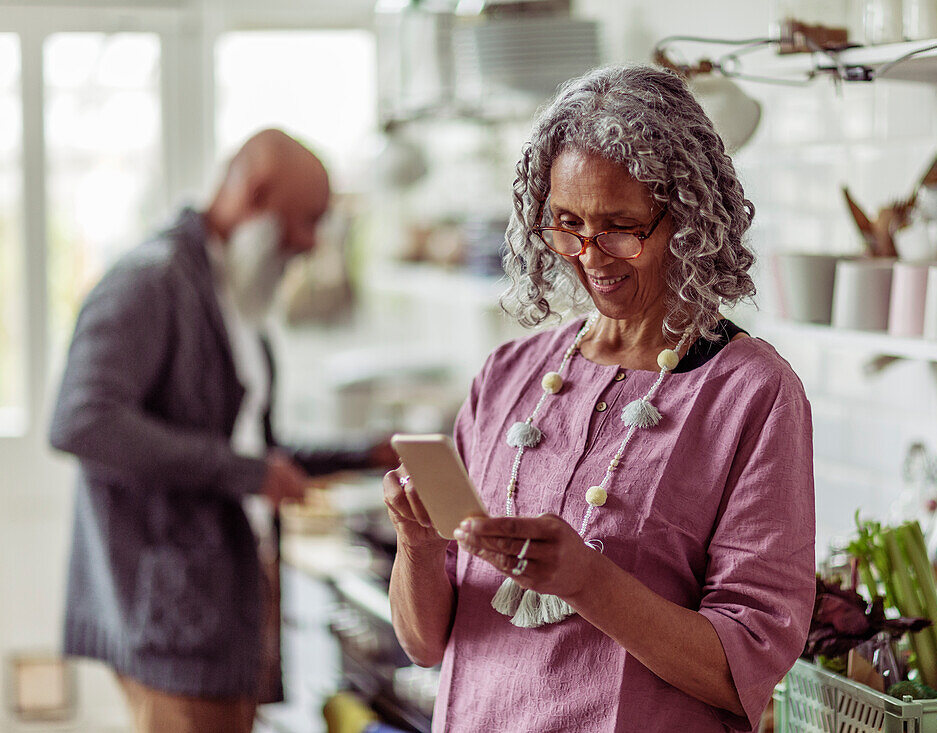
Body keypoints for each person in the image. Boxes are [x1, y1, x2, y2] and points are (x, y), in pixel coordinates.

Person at [382, 66, 816, 732]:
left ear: (688, 220)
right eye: (567, 224)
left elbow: (745, 670)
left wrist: (588, 580)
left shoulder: (752, 395)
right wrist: (415, 542)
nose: (590, 256)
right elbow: (424, 641)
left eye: (620, 226)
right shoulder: (508, 372)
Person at [49, 128, 396, 733]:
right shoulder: (149, 281)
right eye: (304, 219)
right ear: (255, 193)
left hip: (221, 606)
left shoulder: (233, 293)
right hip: (167, 617)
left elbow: (247, 447)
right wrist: (249, 473)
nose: (311, 242)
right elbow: (83, 422)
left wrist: (365, 453)